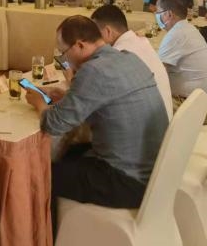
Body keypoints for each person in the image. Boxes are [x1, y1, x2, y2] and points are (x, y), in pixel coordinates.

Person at [25, 16, 168, 233]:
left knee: (41, 173)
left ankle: (48, 237)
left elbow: (52, 124)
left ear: (80, 45)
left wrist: (39, 103)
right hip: (154, 172)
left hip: (126, 181)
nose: (64, 60)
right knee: (69, 152)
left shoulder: (93, 71)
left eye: (63, 53)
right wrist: (69, 98)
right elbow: (105, 100)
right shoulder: (129, 59)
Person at [91, 5, 172, 119]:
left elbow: (92, 99)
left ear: (108, 31)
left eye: (95, 35)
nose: (93, 40)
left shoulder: (117, 53)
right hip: (165, 118)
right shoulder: (141, 41)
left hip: (148, 124)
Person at [155, 0, 207, 122]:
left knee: (139, 107)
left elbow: (156, 74)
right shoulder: (188, 28)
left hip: (193, 108)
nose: (156, 15)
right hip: (204, 104)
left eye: (158, 12)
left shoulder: (176, 34)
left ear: (169, 14)